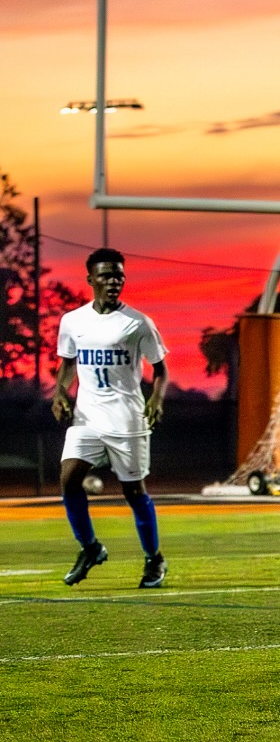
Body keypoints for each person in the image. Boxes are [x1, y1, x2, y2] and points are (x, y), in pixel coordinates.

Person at [51, 247, 170, 588]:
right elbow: (68, 365)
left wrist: (156, 399)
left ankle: (154, 559)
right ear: (91, 279)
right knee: (69, 479)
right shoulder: (72, 321)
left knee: (133, 491)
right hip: (87, 418)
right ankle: (90, 548)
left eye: (119, 275)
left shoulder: (137, 323)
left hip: (126, 419)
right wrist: (60, 391)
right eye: (106, 275)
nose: (114, 281)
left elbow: (160, 370)